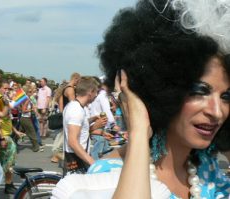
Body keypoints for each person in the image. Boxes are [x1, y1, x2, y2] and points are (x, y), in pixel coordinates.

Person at [52, 0, 230, 198]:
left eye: (226, 96)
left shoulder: (207, 166)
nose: (216, 111)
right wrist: (138, 131)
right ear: (163, 89)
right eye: (200, 91)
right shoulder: (110, 176)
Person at [63, 77, 99, 174]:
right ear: (90, 92)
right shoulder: (76, 110)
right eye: (96, 92)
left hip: (76, 158)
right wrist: (92, 161)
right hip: (76, 159)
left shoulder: (74, 106)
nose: (96, 95)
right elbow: (73, 141)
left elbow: (80, 125)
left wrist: (93, 120)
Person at [51, 73, 80, 163]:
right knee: (66, 137)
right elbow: (73, 104)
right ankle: (59, 155)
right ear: (76, 79)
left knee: (62, 136)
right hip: (69, 116)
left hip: (65, 114)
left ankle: (56, 156)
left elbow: (61, 104)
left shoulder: (64, 88)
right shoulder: (70, 89)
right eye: (79, 81)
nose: (78, 83)